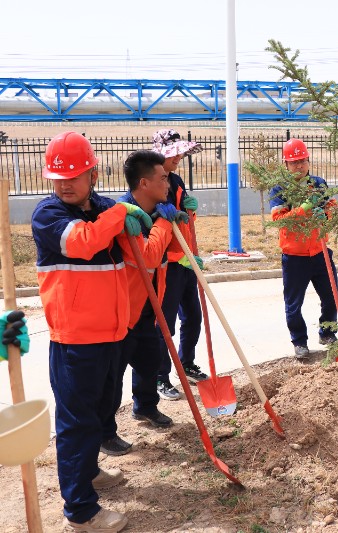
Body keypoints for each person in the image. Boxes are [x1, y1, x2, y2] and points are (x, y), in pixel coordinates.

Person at [32, 131, 152, 532]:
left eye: (74, 176)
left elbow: (138, 255)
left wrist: (147, 223)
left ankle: (89, 472)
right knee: (77, 423)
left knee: (101, 411)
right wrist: (121, 213)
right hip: (76, 340)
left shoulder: (104, 209)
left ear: (93, 175)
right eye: (58, 178)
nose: (65, 184)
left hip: (113, 333)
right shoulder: (48, 215)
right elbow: (82, 243)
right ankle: (81, 511)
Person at [101, 150, 189, 456]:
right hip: (123, 311)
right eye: (162, 178)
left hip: (150, 306)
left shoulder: (158, 211)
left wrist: (182, 220)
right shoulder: (126, 217)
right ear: (143, 183)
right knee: (113, 374)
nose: (168, 183)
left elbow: (175, 249)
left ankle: (146, 407)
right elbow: (149, 256)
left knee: (150, 361)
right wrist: (165, 223)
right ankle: (105, 432)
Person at [269, 138, 338, 359]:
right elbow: (280, 220)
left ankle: (327, 333)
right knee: (293, 304)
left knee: (331, 297)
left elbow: (332, 208)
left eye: (302, 161)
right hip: (294, 257)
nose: (299, 166)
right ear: (286, 164)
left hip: (320, 251)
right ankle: (299, 342)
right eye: (294, 162)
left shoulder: (318, 184)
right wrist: (304, 209)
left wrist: (325, 214)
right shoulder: (279, 189)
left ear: (308, 161)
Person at [152, 129, 208, 400]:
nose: (179, 157)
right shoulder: (153, 183)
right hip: (167, 264)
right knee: (165, 325)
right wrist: (178, 257)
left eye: (181, 153)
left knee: (193, 317)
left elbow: (182, 222)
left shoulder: (176, 180)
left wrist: (190, 211)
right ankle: (160, 376)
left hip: (185, 260)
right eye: (174, 153)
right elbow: (155, 229)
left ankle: (186, 364)